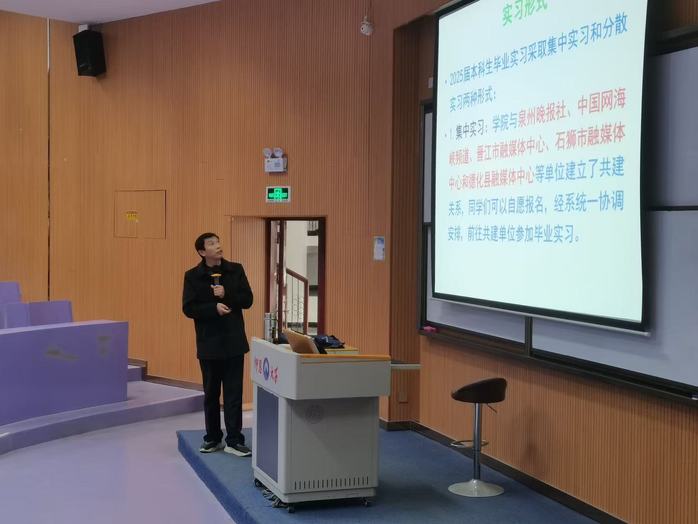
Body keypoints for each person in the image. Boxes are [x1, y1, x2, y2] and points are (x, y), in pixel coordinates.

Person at [182, 232, 253, 456]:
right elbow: (188, 308)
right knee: (211, 394)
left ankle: (234, 440)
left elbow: (248, 300)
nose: (218, 246)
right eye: (212, 244)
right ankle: (213, 438)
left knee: (234, 394)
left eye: (218, 242)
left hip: (233, 342)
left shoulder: (236, 270)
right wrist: (213, 309)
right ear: (202, 252)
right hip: (209, 343)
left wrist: (227, 294)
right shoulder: (193, 276)